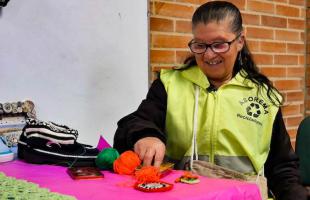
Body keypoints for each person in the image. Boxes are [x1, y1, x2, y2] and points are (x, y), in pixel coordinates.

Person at [113, 1, 307, 199]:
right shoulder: (169, 85)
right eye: (200, 45)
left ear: (240, 41)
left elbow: (283, 168)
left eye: (219, 44)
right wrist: (146, 135)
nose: (209, 54)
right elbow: (133, 124)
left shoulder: (264, 96)